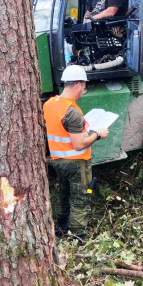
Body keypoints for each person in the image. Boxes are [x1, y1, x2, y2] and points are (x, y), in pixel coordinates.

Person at [43, 65, 109, 237]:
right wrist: (97, 134)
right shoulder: (72, 112)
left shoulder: (50, 104)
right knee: (81, 199)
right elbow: (79, 144)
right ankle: (78, 236)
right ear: (79, 85)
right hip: (77, 164)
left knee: (63, 195)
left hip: (58, 162)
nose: (83, 91)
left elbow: (61, 131)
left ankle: (61, 228)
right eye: (84, 86)